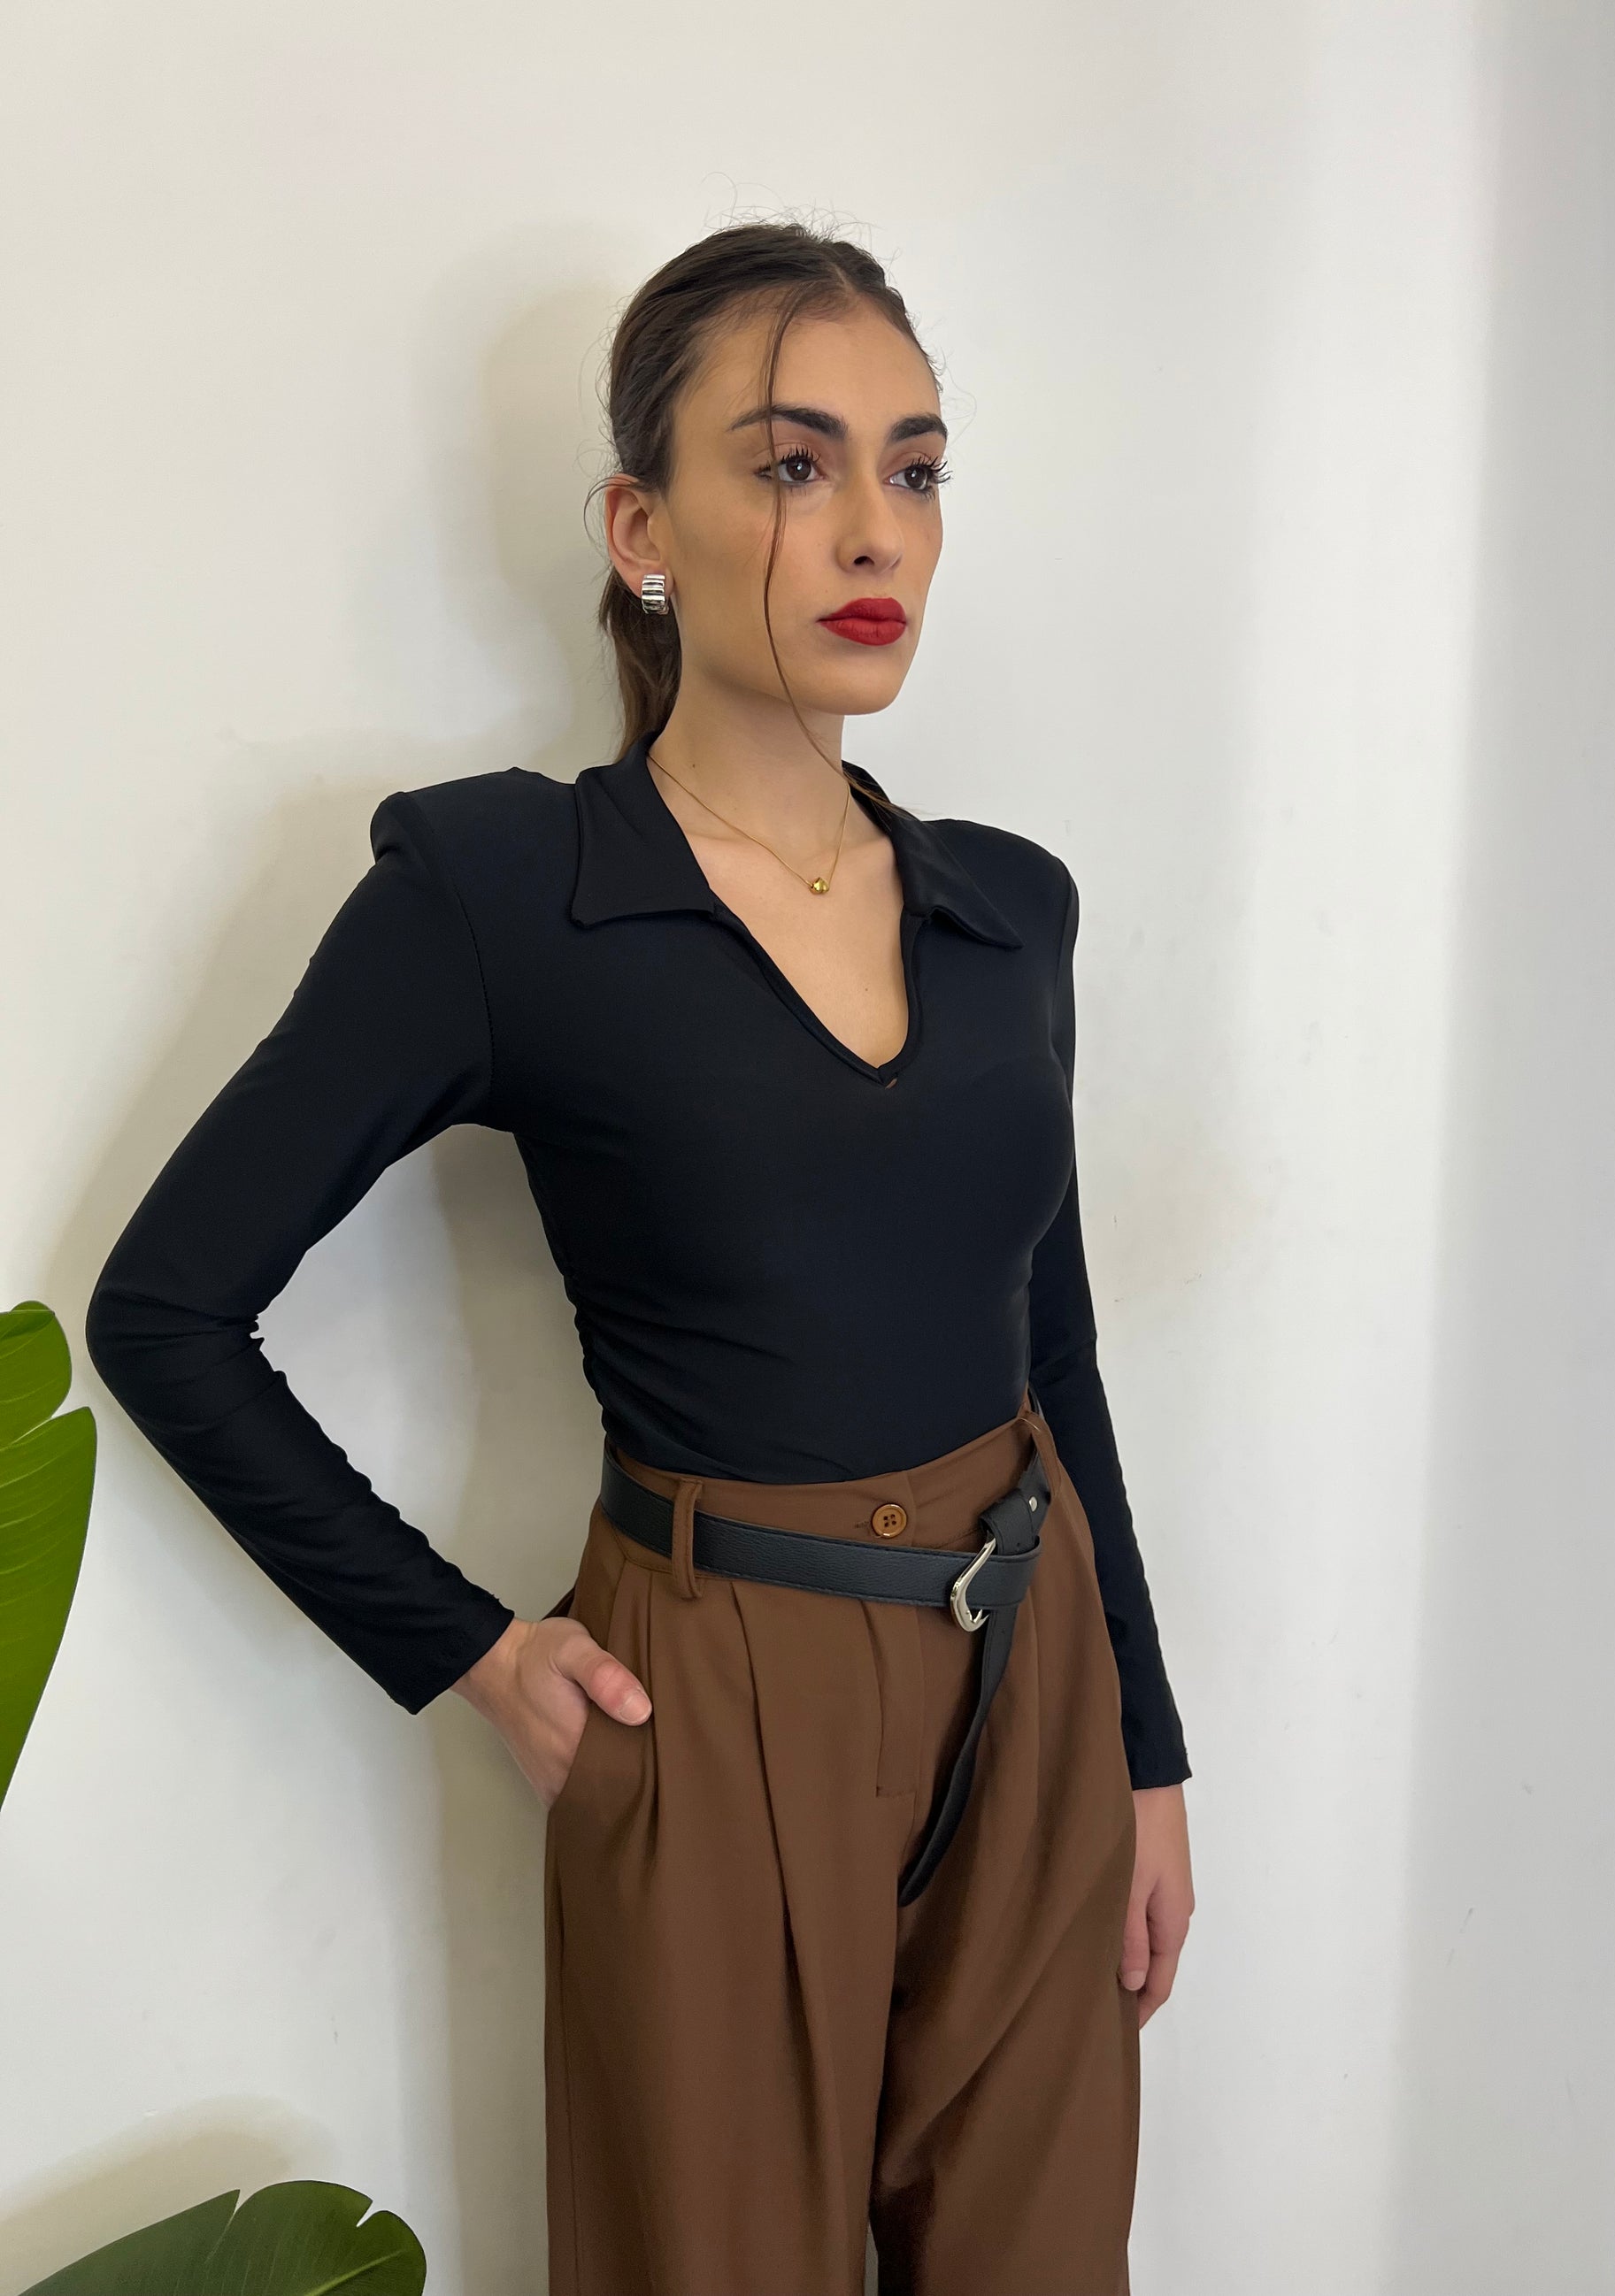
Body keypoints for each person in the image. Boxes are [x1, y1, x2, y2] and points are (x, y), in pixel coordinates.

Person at [85, 219, 1196, 2296]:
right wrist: (468, 1649)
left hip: (1030, 1668)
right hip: (718, 1692)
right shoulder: (509, 893)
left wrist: (1142, 1741)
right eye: (790, 464)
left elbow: (1051, 1339)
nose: (870, 527)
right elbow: (165, 1309)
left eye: (914, 467)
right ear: (639, 527)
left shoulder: (1007, 912)